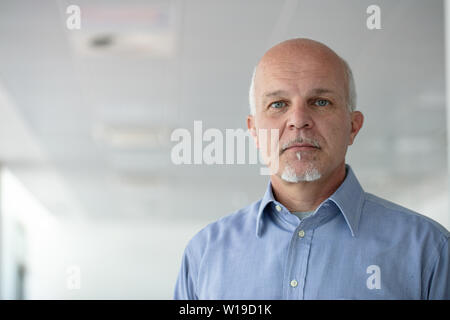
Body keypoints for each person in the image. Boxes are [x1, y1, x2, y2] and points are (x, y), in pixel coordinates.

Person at [173, 38, 449, 299]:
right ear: (254, 131)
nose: (298, 120)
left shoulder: (430, 251)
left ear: (353, 126)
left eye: (320, 102)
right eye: (278, 104)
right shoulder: (204, 255)